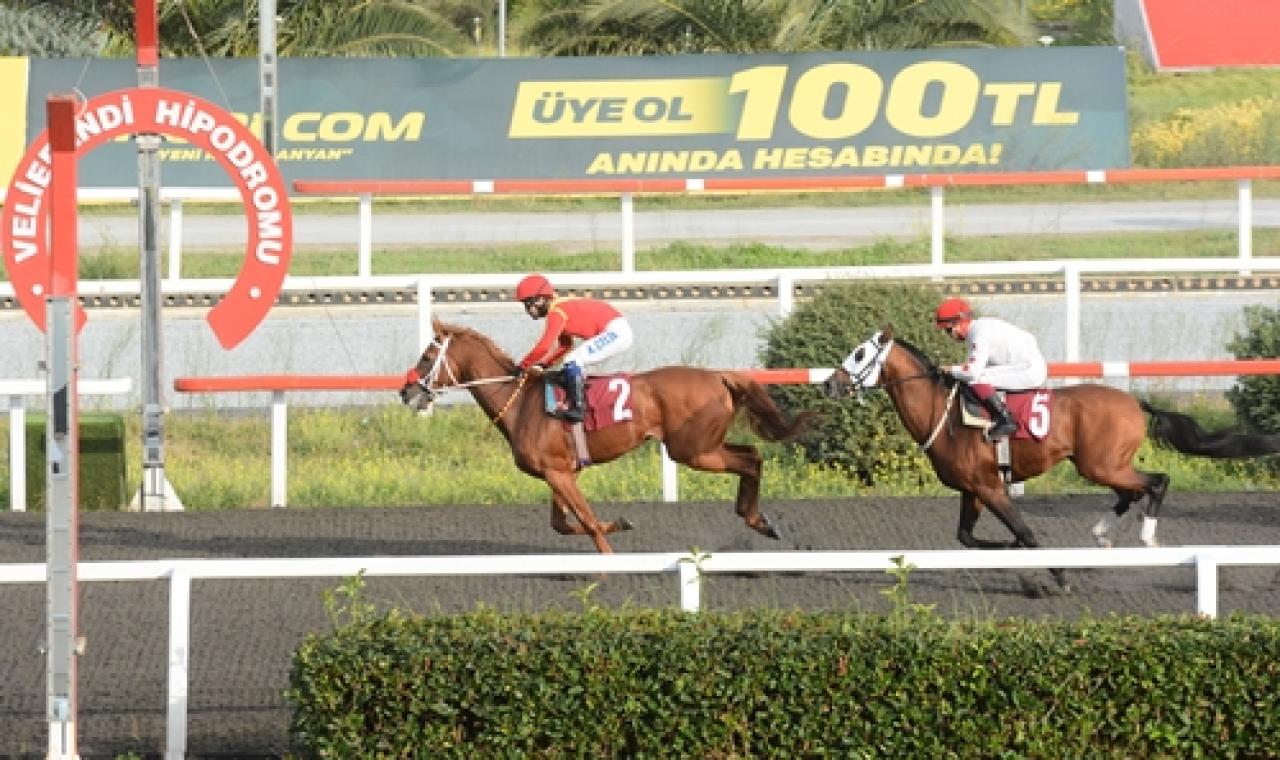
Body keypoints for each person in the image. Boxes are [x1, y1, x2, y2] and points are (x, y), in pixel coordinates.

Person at [514, 273, 634, 423]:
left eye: (528, 304)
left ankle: (578, 409)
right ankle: (577, 400)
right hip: (616, 329)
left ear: (540, 300)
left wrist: (521, 366)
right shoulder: (559, 307)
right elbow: (565, 345)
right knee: (571, 360)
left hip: (616, 332)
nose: (528, 311)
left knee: (573, 360)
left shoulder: (556, 311)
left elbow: (544, 345)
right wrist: (544, 364)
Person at [934, 296, 1048, 439]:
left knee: (977, 379)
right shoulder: (980, 328)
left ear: (960, 322)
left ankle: (1005, 419)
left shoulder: (979, 335)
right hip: (1025, 365)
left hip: (1028, 370)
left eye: (949, 330)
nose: (950, 335)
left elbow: (972, 372)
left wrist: (951, 370)